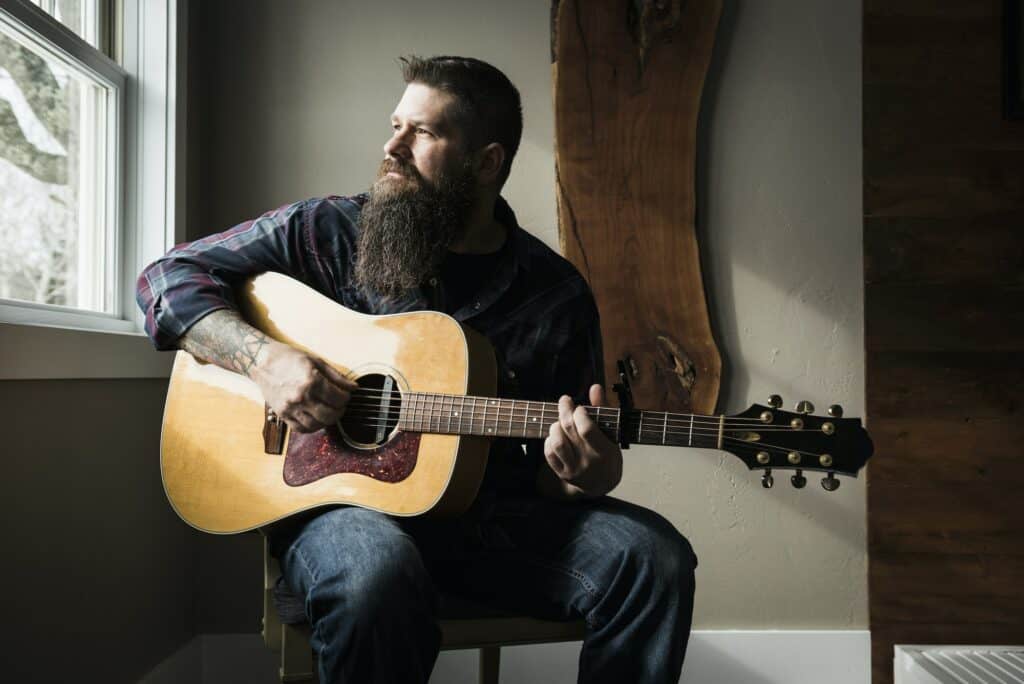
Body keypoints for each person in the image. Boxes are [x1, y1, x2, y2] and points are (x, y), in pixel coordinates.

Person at [137, 55, 697, 684]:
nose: (392, 147)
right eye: (396, 125)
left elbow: (554, 471)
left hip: (490, 528)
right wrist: (263, 358)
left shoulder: (555, 294)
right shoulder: (329, 231)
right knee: (377, 571)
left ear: (487, 162)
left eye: (423, 133)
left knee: (655, 557)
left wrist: (582, 476)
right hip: (344, 513)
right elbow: (167, 278)